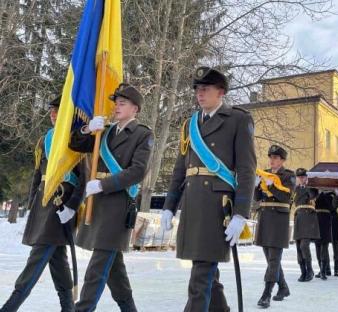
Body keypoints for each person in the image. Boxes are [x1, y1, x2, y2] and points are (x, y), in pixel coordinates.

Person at [161, 67, 256, 312]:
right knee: (206, 271)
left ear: (221, 92)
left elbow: (246, 169)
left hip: (217, 206)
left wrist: (241, 213)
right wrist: (169, 206)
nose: (199, 94)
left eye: (205, 89)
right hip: (193, 203)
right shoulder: (190, 124)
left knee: (200, 276)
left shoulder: (238, 119)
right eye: (197, 89)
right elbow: (180, 170)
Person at [69, 83, 154, 312]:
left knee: (97, 269)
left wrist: (103, 185)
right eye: (116, 103)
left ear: (135, 108)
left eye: (122, 103)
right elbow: (74, 143)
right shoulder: (104, 132)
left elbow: (137, 171)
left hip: (117, 205)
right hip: (99, 204)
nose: (117, 106)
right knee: (114, 271)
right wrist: (88, 129)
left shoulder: (143, 134)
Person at [1, 96, 85, 312]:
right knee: (57, 260)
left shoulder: (76, 140)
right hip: (43, 204)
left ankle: (10, 307)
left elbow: (83, 178)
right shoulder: (45, 140)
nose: (53, 114)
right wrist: (31, 205)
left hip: (61, 204)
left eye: (58, 110)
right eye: (51, 111)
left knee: (37, 257)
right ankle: (69, 308)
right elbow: (38, 175)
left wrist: (73, 206)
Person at [254, 145, 295, 309]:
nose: (272, 160)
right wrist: (257, 186)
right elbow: (257, 198)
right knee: (270, 259)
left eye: (276, 158)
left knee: (273, 259)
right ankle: (283, 287)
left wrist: (271, 185)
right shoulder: (265, 173)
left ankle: (266, 293)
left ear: (282, 160)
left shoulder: (289, 176)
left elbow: (286, 196)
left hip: (279, 218)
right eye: (271, 157)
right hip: (265, 217)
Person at [292, 168, 319, 282]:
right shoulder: (295, 189)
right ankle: (303, 272)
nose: (301, 179)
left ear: (307, 178)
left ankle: (310, 270)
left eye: (303, 177)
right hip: (298, 218)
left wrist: (307, 185)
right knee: (298, 247)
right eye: (299, 177)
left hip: (308, 219)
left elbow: (312, 196)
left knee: (304, 246)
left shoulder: (312, 188)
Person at [314, 191, 336, 280]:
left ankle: (324, 270)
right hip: (316, 219)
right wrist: (319, 193)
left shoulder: (331, 194)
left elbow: (332, 207)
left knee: (324, 246)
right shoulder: (315, 192)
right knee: (317, 247)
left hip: (326, 220)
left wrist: (324, 194)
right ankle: (321, 268)